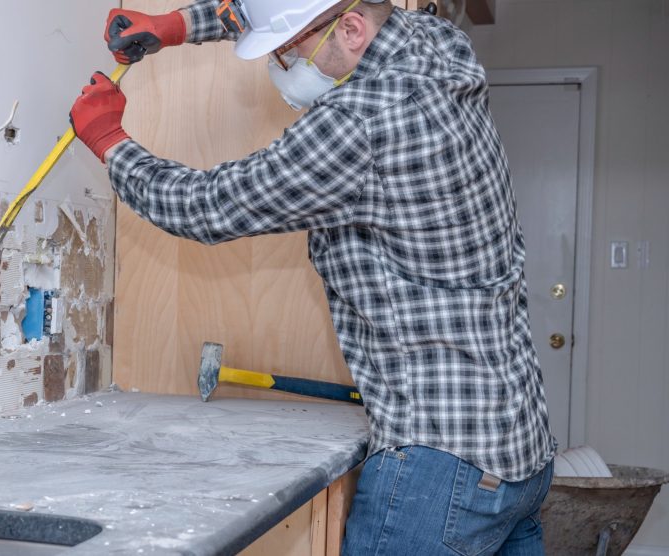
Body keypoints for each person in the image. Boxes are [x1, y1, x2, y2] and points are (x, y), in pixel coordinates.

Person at [70, 0, 557, 553]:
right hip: (521, 450)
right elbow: (293, 8)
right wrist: (176, 25)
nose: (280, 64)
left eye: (288, 50)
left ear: (351, 29)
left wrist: (110, 142)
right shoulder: (437, 44)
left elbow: (207, 206)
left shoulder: (361, 124)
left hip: (441, 468)